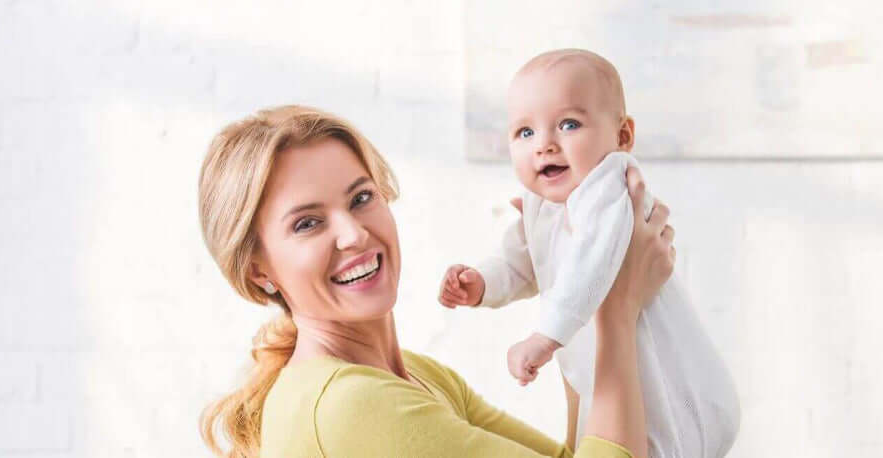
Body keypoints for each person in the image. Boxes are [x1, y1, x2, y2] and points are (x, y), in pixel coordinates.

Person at [196, 105, 675, 457]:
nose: (354, 233)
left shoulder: (418, 376)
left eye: (361, 197)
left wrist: (576, 283)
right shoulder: (350, 405)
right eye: (307, 223)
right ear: (259, 270)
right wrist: (615, 305)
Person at [437, 49, 740, 458]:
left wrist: (545, 337)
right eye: (525, 132)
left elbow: (591, 261)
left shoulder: (608, 187)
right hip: (610, 383)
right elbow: (520, 262)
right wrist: (482, 284)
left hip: (676, 395)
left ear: (622, 136)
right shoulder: (542, 205)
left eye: (568, 124)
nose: (544, 145)